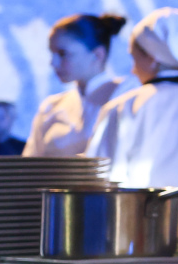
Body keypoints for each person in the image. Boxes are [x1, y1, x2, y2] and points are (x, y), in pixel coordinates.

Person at [86, 8, 178, 187]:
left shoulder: (126, 106)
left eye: (134, 59)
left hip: (143, 205)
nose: (133, 70)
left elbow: (98, 181)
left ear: (152, 58)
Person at [24, 13, 131, 157]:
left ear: (97, 55)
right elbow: (30, 163)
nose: (53, 63)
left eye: (63, 54)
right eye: (52, 53)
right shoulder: (51, 107)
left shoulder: (126, 95)